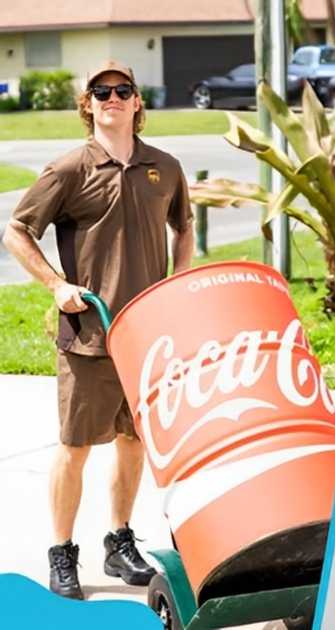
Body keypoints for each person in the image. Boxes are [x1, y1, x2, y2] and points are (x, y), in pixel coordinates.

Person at [2, 60, 194, 600]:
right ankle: (62, 554)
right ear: (88, 105)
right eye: (100, 91)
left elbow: (184, 227)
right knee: (75, 447)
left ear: (137, 103)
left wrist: (178, 284)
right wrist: (55, 285)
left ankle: (120, 541)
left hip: (147, 338)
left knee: (133, 442)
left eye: (122, 90)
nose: (112, 97)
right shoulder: (68, 170)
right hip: (88, 337)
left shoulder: (166, 167)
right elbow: (16, 231)